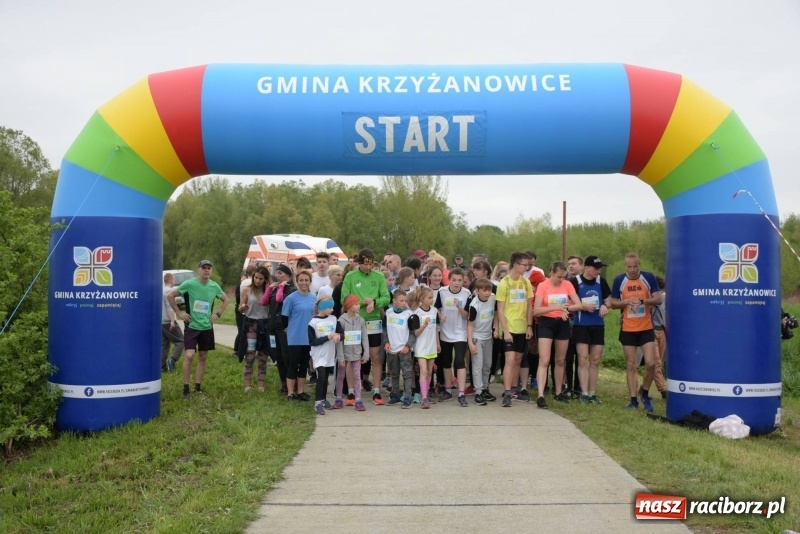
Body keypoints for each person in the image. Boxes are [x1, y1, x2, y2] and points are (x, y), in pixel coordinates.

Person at [168, 259, 229, 400]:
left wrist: (217, 314)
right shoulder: (190, 284)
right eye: (204, 268)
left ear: (211, 271)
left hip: (206, 327)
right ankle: (185, 387)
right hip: (192, 326)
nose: (207, 270)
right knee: (189, 355)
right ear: (199, 270)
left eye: (209, 268)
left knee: (203, 356)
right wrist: (179, 313)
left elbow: (226, 300)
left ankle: (198, 386)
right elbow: (170, 295)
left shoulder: (214, 286)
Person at [609, 252, 663, 412]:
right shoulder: (619, 280)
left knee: (651, 363)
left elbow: (658, 299)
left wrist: (642, 301)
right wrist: (625, 302)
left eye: (635, 266)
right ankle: (633, 400)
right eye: (629, 267)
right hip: (628, 328)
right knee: (631, 365)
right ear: (625, 266)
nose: (632, 270)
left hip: (646, 327)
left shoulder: (648, 277)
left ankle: (644, 392)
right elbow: (612, 303)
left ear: (639, 265)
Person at [533, 261, 587, 409]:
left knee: (560, 360)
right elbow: (536, 310)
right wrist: (555, 307)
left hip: (562, 323)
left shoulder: (567, 285)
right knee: (544, 360)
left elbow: (579, 304)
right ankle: (541, 394)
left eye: (564, 277)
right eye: (559, 277)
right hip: (546, 323)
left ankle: (558, 392)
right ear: (552, 273)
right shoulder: (543, 285)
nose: (561, 280)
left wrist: (566, 308)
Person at [341, 248, 391, 405]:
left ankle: (376, 391)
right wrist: (361, 302)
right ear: (359, 263)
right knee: (352, 356)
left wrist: (375, 302)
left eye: (370, 265)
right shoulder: (350, 276)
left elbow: (386, 297)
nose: (368, 268)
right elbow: (344, 297)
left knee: (375, 356)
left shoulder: (379, 276)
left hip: (373, 321)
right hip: (354, 321)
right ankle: (351, 392)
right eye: (365, 265)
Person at [570, 256, 611, 404]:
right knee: (582, 359)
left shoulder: (602, 281)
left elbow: (608, 300)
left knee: (595, 360)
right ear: (587, 267)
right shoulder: (575, 282)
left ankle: (592, 393)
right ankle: (584, 393)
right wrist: (582, 306)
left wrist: (606, 306)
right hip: (581, 325)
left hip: (597, 325)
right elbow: (569, 304)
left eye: (599, 268)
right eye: (595, 268)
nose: (598, 271)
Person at [495, 252, 534, 407]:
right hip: (509, 327)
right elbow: (500, 309)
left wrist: (529, 326)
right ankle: (507, 393)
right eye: (524, 264)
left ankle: (513, 389)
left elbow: (530, 306)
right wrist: (505, 330)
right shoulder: (504, 283)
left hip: (522, 327)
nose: (527, 267)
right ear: (516, 265)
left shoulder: (526, 283)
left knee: (518, 359)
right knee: (510, 360)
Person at [435, 268, 472, 407]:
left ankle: (461, 393)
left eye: (459, 280)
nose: (457, 283)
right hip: (445, 331)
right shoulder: (442, 292)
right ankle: (448, 389)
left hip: (460, 332)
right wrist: (440, 316)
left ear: (463, 281)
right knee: (446, 361)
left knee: (459, 360)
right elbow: (437, 308)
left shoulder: (466, 293)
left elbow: (466, 316)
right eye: (454, 280)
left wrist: (459, 307)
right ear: (449, 280)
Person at [281, 269, 317, 401]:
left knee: (304, 365)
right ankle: (291, 393)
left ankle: (301, 391)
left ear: (310, 282)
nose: (303, 283)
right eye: (301, 280)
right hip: (295, 337)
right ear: (297, 281)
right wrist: (287, 328)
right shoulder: (291, 298)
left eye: (306, 280)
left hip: (308, 337)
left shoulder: (314, 298)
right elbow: (284, 317)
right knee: (293, 364)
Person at [262, 263, 295, 396]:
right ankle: (283, 384)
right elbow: (264, 302)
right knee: (278, 356)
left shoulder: (291, 289)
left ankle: (291, 384)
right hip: (273, 327)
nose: (278, 276)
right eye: (277, 273)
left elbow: (280, 299)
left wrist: (281, 287)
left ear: (288, 275)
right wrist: (269, 289)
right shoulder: (275, 288)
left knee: (287, 356)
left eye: (281, 273)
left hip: (283, 327)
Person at [308, 294, 343, 415]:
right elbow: (312, 341)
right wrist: (328, 337)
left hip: (330, 354)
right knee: (321, 377)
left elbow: (341, 333)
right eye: (330, 307)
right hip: (318, 354)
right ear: (322, 308)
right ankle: (317, 403)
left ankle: (323, 399)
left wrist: (338, 336)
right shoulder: (313, 322)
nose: (332, 310)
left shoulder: (333, 319)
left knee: (326, 377)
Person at [238, 266, 270, 392]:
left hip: (264, 324)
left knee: (263, 357)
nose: (257, 280)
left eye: (260, 279)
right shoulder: (247, 290)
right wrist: (242, 308)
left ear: (265, 279)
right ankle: (248, 385)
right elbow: (240, 307)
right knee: (250, 355)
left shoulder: (269, 291)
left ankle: (261, 386)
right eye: (256, 277)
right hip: (250, 324)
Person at [335, 294, 369, 410]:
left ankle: (358, 400)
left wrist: (366, 354)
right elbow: (339, 341)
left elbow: (364, 338)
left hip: (357, 354)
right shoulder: (341, 320)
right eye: (356, 304)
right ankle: (338, 398)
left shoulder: (361, 320)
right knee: (340, 376)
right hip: (344, 354)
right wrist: (341, 357)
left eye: (359, 303)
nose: (359, 306)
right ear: (349, 306)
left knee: (357, 376)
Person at [467, 277, 497, 405]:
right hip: (477, 337)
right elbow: (470, 325)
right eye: (484, 290)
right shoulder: (474, 305)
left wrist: (496, 327)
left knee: (487, 364)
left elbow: (495, 313)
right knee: (478, 365)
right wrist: (470, 343)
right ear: (477, 291)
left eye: (489, 290)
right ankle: (478, 392)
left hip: (488, 336)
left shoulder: (492, 298)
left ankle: (485, 388)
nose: (487, 293)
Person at [408, 285, 439, 409]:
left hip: (431, 345)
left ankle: (425, 392)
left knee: (430, 371)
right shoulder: (417, 313)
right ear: (422, 298)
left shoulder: (434, 311)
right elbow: (415, 333)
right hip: (421, 346)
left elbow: (436, 328)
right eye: (429, 297)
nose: (431, 300)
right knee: (424, 371)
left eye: (432, 297)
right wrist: (424, 325)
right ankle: (424, 397)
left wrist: (438, 343)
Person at [384, 289, 416, 409]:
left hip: (404, 350)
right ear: (394, 301)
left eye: (405, 301)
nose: (404, 303)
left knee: (407, 374)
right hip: (392, 350)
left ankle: (407, 397)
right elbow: (385, 329)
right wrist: (386, 341)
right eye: (401, 301)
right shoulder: (388, 312)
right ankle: (395, 395)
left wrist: (408, 346)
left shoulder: (409, 314)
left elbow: (413, 333)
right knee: (394, 374)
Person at [161, 272, 184, 372]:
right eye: (174, 279)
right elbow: (169, 306)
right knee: (181, 341)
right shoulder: (170, 291)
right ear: (171, 280)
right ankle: (172, 361)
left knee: (164, 344)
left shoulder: (160, 290)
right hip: (168, 320)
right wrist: (172, 321)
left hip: (161, 321)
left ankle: (162, 367)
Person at [234, 265, 256, 358]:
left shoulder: (243, 282)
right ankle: (240, 351)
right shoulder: (249, 282)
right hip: (247, 307)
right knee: (245, 332)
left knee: (242, 331)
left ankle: (237, 350)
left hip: (241, 306)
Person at [652, 275, 667, 399]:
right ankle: (663, 390)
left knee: (657, 363)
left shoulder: (662, 297)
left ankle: (643, 388)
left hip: (661, 331)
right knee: (656, 362)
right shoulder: (652, 298)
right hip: (652, 331)